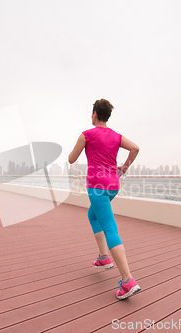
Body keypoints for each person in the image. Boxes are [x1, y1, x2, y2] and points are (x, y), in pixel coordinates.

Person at [68, 98, 141, 300]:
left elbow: (71, 159)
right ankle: (103, 257)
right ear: (107, 116)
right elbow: (135, 148)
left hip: (96, 186)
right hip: (113, 186)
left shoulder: (87, 134)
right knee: (93, 215)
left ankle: (127, 280)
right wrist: (124, 168)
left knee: (109, 228)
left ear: (94, 114)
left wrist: (81, 146)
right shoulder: (116, 136)